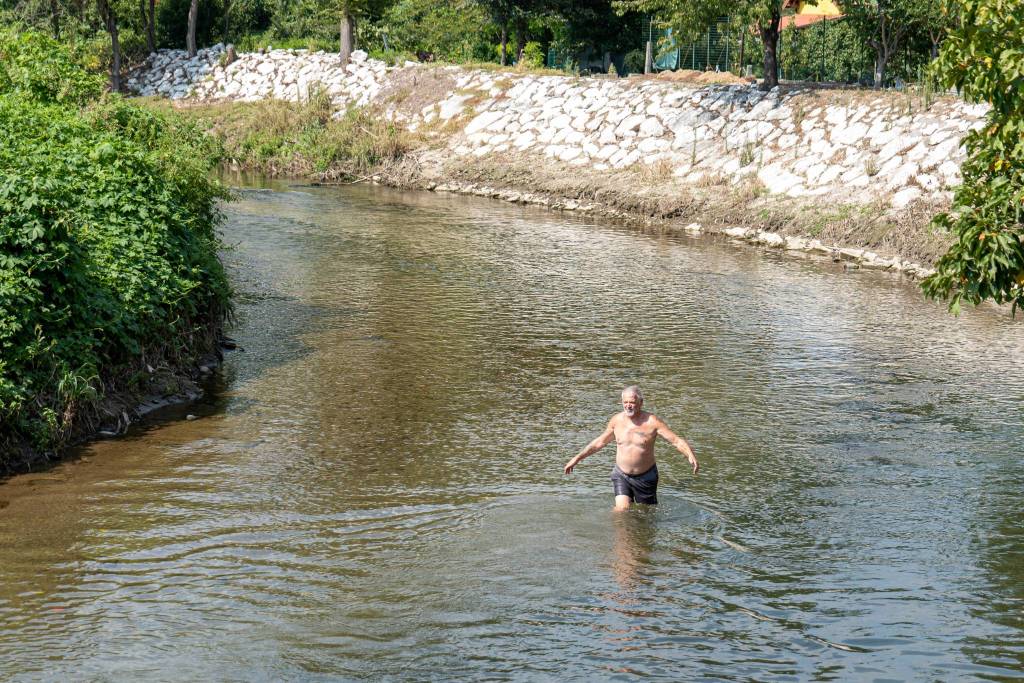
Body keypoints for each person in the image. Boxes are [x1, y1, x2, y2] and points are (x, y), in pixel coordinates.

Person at [564, 386, 698, 510]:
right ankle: (621, 535)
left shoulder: (652, 422)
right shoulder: (616, 421)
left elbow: (675, 440)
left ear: (641, 402)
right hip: (621, 474)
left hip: (646, 477)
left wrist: (690, 455)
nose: (628, 406)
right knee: (621, 510)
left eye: (632, 402)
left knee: (646, 514)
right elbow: (599, 442)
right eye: (625, 402)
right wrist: (577, 458)